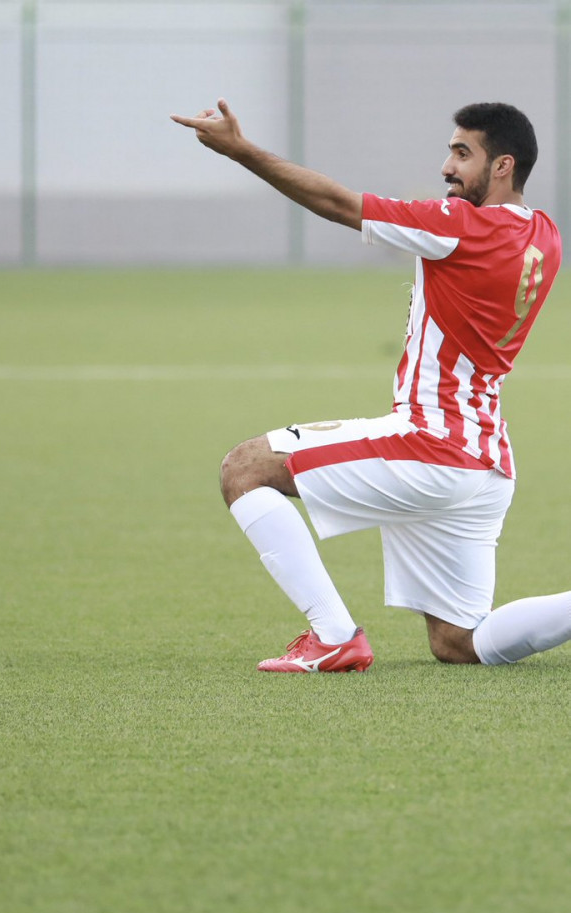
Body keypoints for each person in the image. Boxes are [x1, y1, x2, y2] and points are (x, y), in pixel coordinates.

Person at [171, 98, 569, 672]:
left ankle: (333, 636)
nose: (446, 167)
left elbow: (338, 203)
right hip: (485, 462)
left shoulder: (461, 226)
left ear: (502, 166)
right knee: (459, 643)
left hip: (431, 445)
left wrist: (241, 151)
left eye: (463, 153)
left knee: (244, 468)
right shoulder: (545, 234)